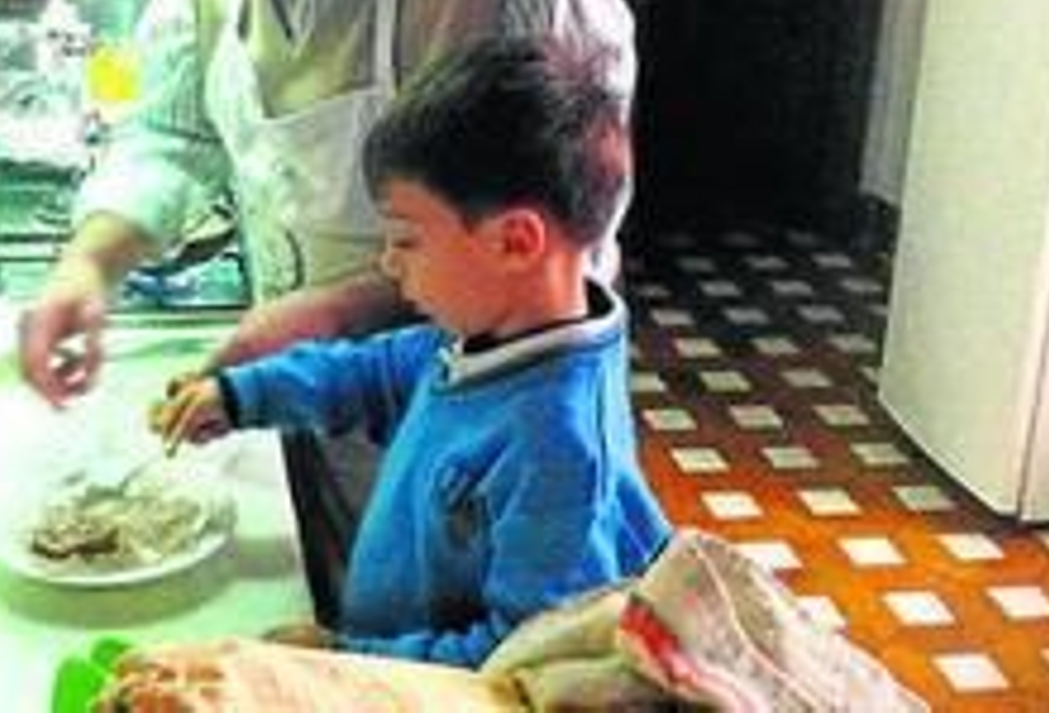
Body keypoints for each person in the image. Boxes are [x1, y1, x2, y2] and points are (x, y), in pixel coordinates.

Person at [17, 0, 635, 617]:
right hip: (306, 387)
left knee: (436, 645)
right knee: (343, 606)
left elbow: (560, 257)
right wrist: (88, 267)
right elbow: (172, 130)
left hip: (464, 429)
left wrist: (334, 316)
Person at [148, 38, 670, 668]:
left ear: (515, 242)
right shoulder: (484, 337)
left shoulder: (558, 452)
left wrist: (349, 660)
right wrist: (241, 396)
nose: (388, 263)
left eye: (405, 238)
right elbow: (368, 374)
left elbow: (522, 658)